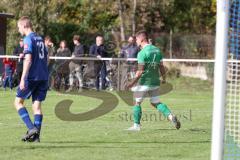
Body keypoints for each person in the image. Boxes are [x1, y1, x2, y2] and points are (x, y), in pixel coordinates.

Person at [126, 30, 181, 131]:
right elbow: (161, 67)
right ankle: (170, 116)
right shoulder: (157, 50)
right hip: (155, 82)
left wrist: (131, 83)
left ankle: (136, 126)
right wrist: (164, 79)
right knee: (155, 102)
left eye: (137, 40)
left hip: (144, 82)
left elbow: (140, 72)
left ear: (142, 39)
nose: (136, 42)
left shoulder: (142, 53)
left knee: (136, 102)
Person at [14, 16, 48, 142]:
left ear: (24, 26)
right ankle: (36, 137)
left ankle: (31, 128)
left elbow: (28, 59)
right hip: (43, 76)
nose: (19, 30)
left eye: (19, 27)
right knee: (37, 107)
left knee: (18, 102)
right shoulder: (40, 39)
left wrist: (23, 78)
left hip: (32, 77)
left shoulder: (28, 38)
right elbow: (47, 57)